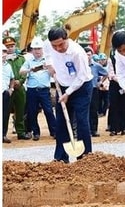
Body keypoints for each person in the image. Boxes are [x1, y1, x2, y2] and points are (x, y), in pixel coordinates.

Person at [44, 27, 93, 162]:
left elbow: (81, 76)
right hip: (63, 85)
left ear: (67, 39)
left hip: (81, 88)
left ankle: (85, 157)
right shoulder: (48, 45)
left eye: (61, 44)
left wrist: (68, 93)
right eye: (55, 46)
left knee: (82, 120)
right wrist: (49, 65)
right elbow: (47, 54)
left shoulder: (77, 52)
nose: (58, 48)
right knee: (61, 122)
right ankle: (61, 157)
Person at [19, 37, 56, 141]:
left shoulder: (48, 60)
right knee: (32, 112)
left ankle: (54, 131)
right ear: (32, 50)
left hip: (44, 90)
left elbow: (54, 73)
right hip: (32, 91)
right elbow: (21, 72)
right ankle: (36, 133)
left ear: (42, 49)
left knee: (48, 111)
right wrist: (30, 69)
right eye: (35, 49)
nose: (37, 51)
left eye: (39, 48)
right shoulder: (29, 61)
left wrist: (48, 67)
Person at [3, 36, 29, 140]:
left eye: (12, 46)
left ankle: (21, 132)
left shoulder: (21, 58)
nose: (10, 48)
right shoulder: (3, 59)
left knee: (20, 110)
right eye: (7, 46)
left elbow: (25, 71)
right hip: (8, 88)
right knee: (5, 111)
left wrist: (21, 80)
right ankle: (3, 133)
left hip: (20, 88)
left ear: (15, 46)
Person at [87, 49, 108, 137]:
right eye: (86, 54)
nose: (87, 56)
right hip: (82, 90)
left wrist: (100, 82)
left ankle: (94, 130)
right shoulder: (80, 65)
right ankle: (85, 130)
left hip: (94, 89)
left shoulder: (96, 65)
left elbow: (105, 73)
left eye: (89, 54)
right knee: (83, 110)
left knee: (93, 110)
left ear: (92, 55)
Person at [3, 44, 15, 143]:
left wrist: (11, 89)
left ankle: (3, 135)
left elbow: (12, 78)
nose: (3, 54)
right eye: (2, 52)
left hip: (5, 93)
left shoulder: (8, 65)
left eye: (5, 52)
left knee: (5, 115)